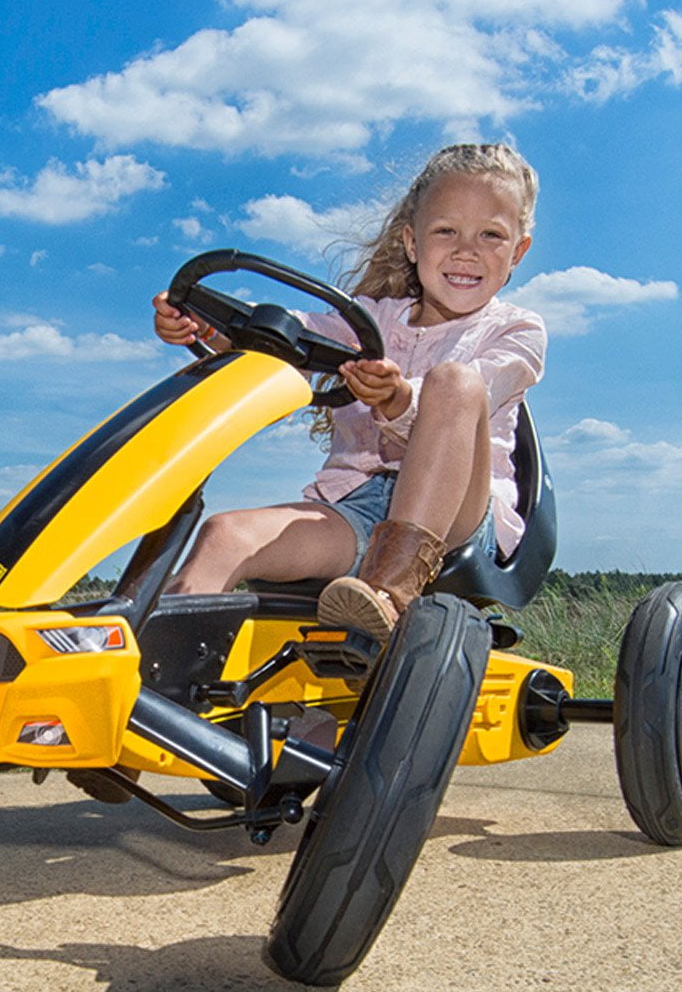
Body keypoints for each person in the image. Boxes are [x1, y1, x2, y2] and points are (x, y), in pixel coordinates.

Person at [152, 142, 545, 642]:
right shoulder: (369, 320)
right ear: (411, 242)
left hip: (459, 517)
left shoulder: (517, 331)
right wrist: (208, 326)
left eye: (491, 235)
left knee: (455, 381)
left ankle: (388, 594)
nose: (466, 250)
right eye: (446, 230)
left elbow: (481, 392)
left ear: (518, 250)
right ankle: (154, 690)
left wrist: (399, 399)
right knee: (224, 535)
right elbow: (292, 334)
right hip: (356, 507)